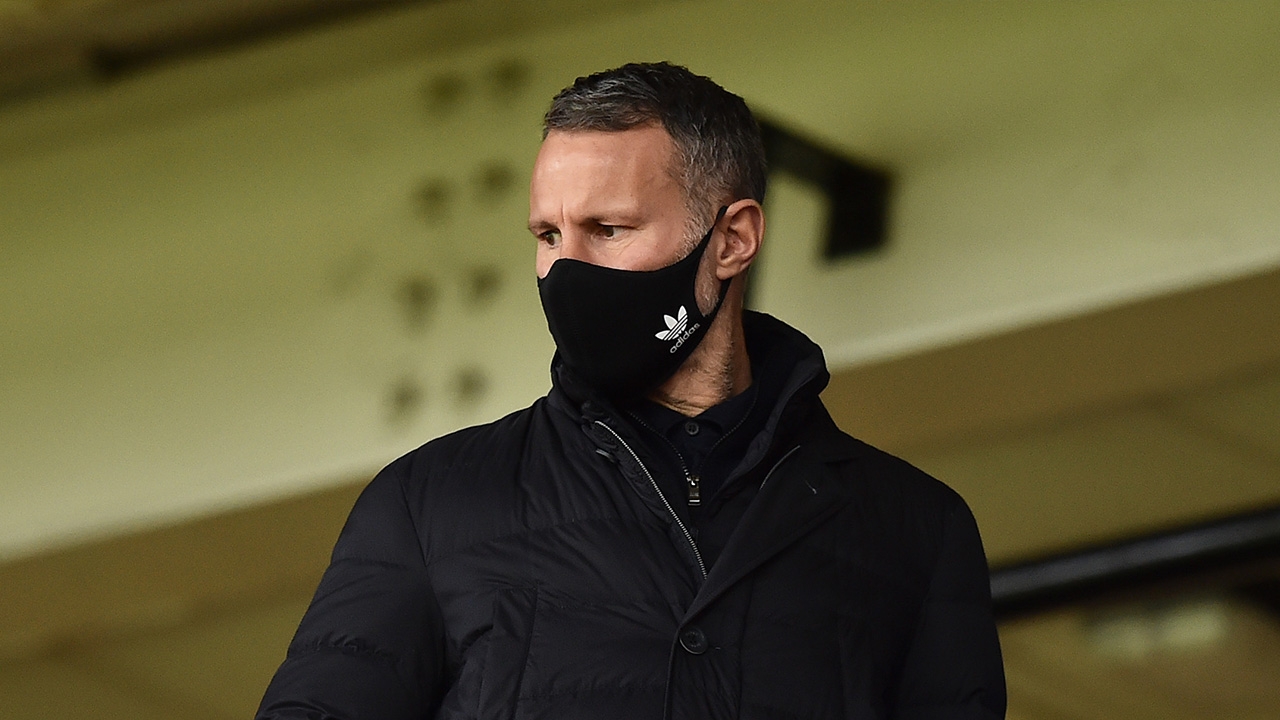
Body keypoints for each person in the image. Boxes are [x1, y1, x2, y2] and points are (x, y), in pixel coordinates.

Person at [257, 61, 1005, 720]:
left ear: (733, 240)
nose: (566, 269)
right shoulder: (431, 503)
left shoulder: (915, 529)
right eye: (548, 236)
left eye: (608, 229)